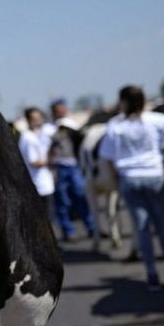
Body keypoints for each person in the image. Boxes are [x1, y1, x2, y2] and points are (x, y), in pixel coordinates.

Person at [99, 86, 164, 291]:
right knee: (162, 225)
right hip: (154, 176)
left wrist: (117, 177)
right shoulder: (153, 119)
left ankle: (152, 275)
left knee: (142, 228)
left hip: (129, 178)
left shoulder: (115, 125)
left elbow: (106, 156)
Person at [48, 99, 96, 241]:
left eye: (63, 109)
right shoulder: (50, 128)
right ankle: (68, 231)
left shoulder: (72, 124)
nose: (61, 112)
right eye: (58, 110)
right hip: (59, 166)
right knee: (63, 201)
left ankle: (92, 227)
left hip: (73, 165)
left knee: (81, 195)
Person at [18, 107, 56, 223]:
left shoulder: (37, 135)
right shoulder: (28, 138)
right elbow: (34, 162)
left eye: (40, 118)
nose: (39, 121)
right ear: (29, 120)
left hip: (44, 181)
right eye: (35, 119)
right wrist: (51, 159)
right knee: (45, 218)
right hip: (38, 184)